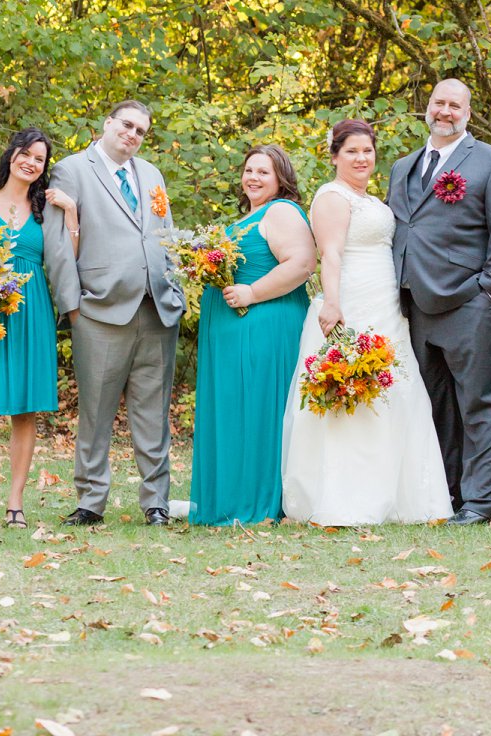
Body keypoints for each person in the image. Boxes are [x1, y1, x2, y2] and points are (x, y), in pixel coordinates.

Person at [284, 118, 454, 525]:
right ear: (334, 156)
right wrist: (333, 304)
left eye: (368, 151)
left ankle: (405, 497)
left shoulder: (375, 202)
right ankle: (347, 498)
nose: (362, 158)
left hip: (387, 306)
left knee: (396, 392)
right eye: (352, 151)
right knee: (353, 394)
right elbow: (332, 254)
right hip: (351, 303)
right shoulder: (331, 196)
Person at [42, 100, 186, 526]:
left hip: (157, 309)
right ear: (107, 124)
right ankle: (90, 502)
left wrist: (173, 289)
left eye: (141, 130)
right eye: (127, 125)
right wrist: (72, 306)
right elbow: (56, 243)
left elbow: (167, 235)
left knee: (153, 412)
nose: (132, 134)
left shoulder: (152, 174)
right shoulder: (72, 170)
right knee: (96, 410)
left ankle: (156, 502)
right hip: (98, 309)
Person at [389, 79, 491, 524]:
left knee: (480, 403)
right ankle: (447, 496)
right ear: (426, 108)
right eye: (438, 103)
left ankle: (483, 502)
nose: (445, 111)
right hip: (415, 306)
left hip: (469, 302)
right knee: (435, 406)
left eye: (454, 104)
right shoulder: (403, 166)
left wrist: (489, 291)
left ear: (468, 112)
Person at [188, 144, 316, 526]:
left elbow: (303, 264)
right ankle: (230, 497)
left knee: (258, 410)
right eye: (249, 170)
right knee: (236, 410)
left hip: (264, 324)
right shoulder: (250, 216)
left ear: (281, 179)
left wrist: (251, 293)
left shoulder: (282, 211)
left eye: (264, 172)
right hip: (233, 330)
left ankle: (258, 501)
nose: (253, 178)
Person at [0, 129, 69, 529]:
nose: (31, 162)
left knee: (25, 410)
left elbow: (67, 258)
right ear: (11, 156)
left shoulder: (46, 210)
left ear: (43, 169)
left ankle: (15, 503)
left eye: (39, 159)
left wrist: (70, 212)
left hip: (33, 311)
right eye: (26, 154)